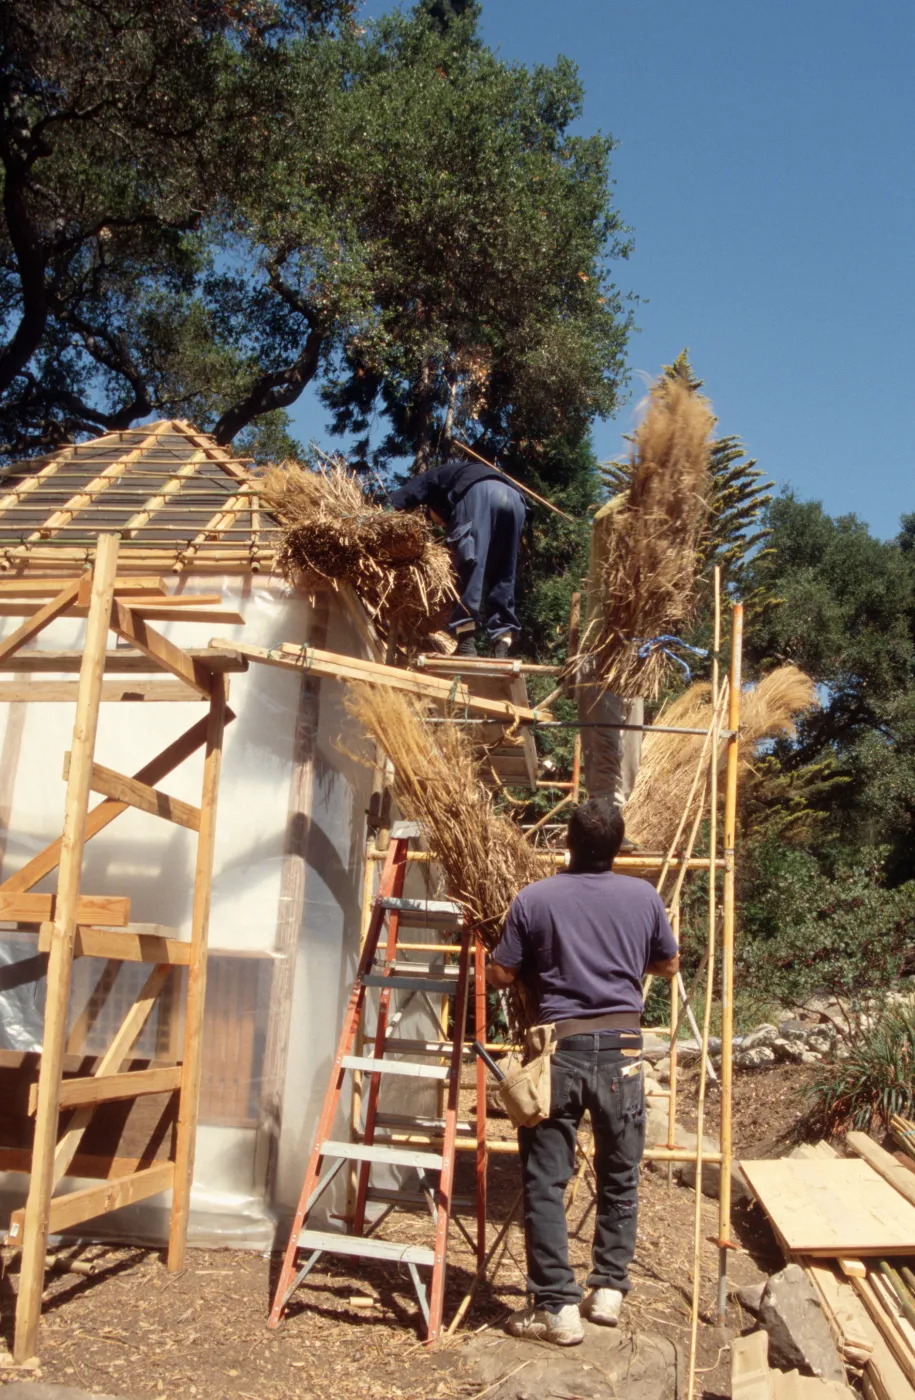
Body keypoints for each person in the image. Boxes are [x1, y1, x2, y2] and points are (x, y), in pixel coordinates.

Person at [486, 798, 679, 1346]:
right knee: (621, 1171)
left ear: (568, 844)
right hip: (623, 1052)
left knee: (546, 1180)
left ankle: (556, 1307)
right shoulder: (643, 896)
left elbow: (502, 973)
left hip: (559, 1054)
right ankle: (610, 1290)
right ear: (617, 847)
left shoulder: (534, 898)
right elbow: (668, 963)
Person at [389, 455, 526, 658]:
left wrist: (381, 511)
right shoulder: (457, 474)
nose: (441, 525)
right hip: (516, 500)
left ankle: (466, 644)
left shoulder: (432, 479)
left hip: (479, 494)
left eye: (436, 522)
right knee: (503, 574)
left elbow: (402, 496)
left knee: (467, 564)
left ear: (432, 508)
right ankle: (501, 645)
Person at [577, 496, 644, 813]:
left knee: (630, 756)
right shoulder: (613, 516)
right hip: (602, 652)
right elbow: (606, 519)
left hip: (633, 660)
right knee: (606, 748)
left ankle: (614, 819)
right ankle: (605, 819)